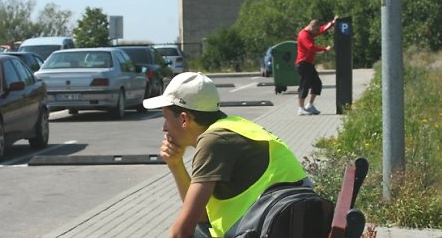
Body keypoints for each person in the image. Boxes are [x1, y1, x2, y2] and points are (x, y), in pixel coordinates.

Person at [143, 72, 312, 237]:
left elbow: (181, 232)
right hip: (290, 224)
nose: (164, 127)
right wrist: (175, 164)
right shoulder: (234, 126)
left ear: (184, 119)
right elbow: (201, 218)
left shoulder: (214, 141)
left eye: (165, 118)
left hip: (271, 226)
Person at [295, 16, 338, 116]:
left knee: (317, 84)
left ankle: (310, 105)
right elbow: (311, 47)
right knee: (304, 85)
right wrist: (325, 49)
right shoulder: (303, 35)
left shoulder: (311, 32)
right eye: (316, 30)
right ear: (312, 26)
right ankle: (300, 108)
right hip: (303, 64)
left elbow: (322, 29)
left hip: (308, 64)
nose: (317, 32)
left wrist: (332, 23)